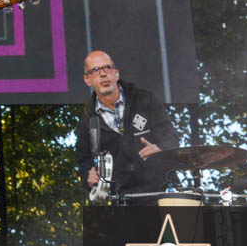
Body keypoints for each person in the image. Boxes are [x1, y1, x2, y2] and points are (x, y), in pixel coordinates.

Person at [75, 50, 180, 198]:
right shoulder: (88, 121)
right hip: (124, 200)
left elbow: (171, 137)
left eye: (107, 68)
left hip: (163, 192)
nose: (103, 74)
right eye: (95, 70)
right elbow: (83, 161)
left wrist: (161, 148)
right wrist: (88, 177)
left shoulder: (146, 100)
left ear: (116, 73)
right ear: (87, 80)